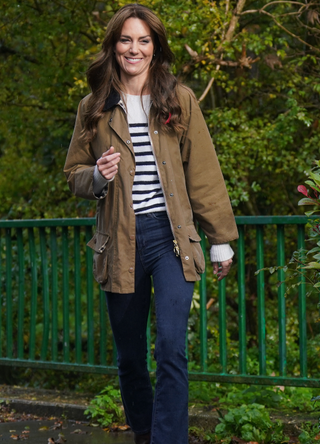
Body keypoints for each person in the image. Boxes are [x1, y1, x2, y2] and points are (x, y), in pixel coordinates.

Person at [64, 4, 238, 444]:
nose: (134, 49)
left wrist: (220, 239)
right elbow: (74, 175)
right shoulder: (94, 107)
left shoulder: (178, 100)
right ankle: (144, 432)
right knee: (129, 356)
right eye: (126, 39)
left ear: (155, 47)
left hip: (171, 238)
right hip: (119, 242)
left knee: (171, 348)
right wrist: (98, 177)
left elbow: (204, 171)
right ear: (113, 46)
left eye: (143, 40)